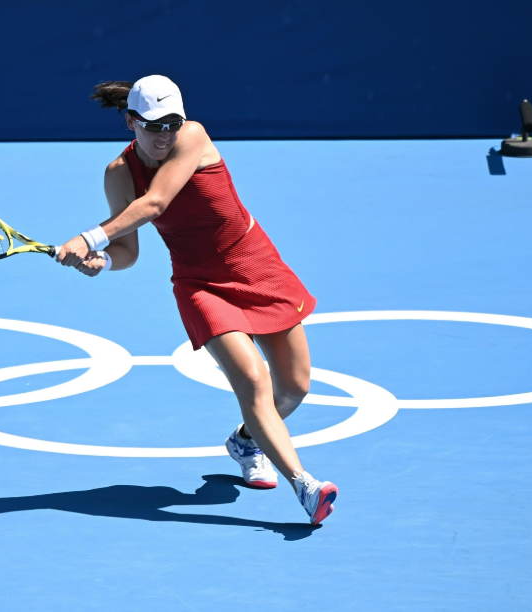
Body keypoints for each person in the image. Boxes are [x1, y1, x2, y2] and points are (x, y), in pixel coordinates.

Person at [55, 76, 337, 525]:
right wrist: (102, 261)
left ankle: (246, 442)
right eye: (153, 126)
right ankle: (305, 485)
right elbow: (128, 251)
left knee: (294, 387)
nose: (165, 134)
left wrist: (88, 238)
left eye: (172, 123)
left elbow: (156, 204)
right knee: (253, 381)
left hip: (255, 265)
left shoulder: (194, 136)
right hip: (200, 284)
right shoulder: (119, 174)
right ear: (130, 122)